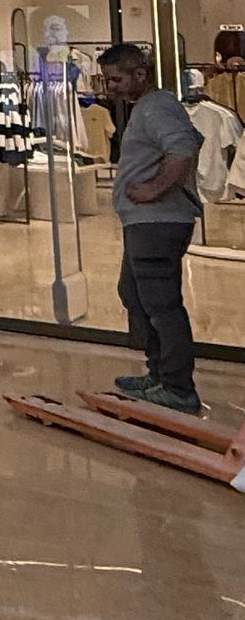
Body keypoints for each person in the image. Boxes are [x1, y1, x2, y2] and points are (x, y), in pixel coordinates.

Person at [99, 41, 204, 414]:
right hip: (146, 223)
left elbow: (183, 147)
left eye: (115, 79)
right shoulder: (146, 107)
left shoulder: (157, 105)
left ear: (140, 74)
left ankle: (177, 387)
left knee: (161, 305)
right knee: (134, 293)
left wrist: (153, 188)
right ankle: (159, 373)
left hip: (157, 223)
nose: (109, 87)